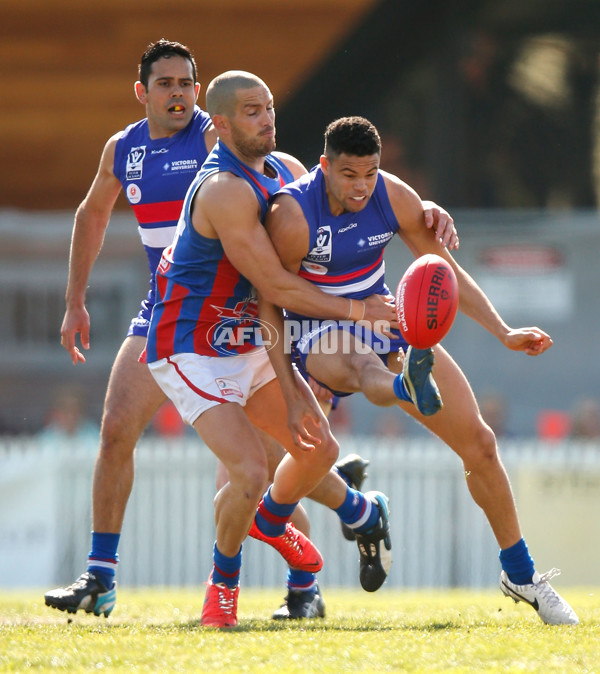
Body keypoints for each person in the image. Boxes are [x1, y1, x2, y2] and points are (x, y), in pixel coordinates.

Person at [42, 45, 453, 622]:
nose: (269, 119)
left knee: (315, 449)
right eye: (255, 111)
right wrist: (361, 310)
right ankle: (209, 588)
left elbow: (342, 187)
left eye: (270, 110)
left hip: (246, 331)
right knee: (242, 470)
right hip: (186, 334)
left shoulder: (275, 170)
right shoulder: (217, 185)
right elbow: (277, 289)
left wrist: (420, 208)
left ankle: (345, 523)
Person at [263, 115, 579, 626]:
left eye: (370, 172)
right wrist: (285, 378)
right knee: (271, 467)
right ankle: (273, 585)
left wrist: (503, 331)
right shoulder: (293, 214)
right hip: (313, 333)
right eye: (348, 175)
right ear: (324, 167)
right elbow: (270, 295)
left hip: (384, 318)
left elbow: (443, 271)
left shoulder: (393, 196)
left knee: (479, 444)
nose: (362, 186)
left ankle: (519, 574)